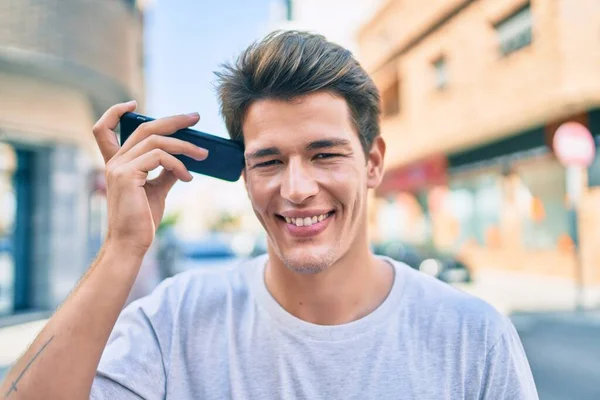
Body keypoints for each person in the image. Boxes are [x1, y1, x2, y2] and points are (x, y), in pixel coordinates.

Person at [0, 30, 538, 399]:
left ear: (373, 163)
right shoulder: (175, 322)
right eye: (269, 161)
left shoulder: (472, 335)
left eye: (325, 154)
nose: (297, 188)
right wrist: (121, 248)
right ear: (244, 173)